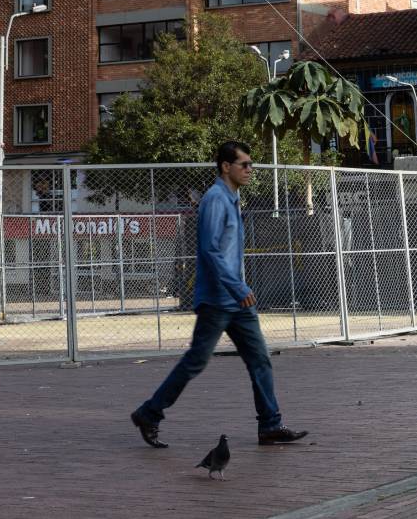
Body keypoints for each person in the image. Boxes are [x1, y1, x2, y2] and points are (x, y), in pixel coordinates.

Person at [131, 140, 307, 449]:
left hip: (237, 301)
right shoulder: (215, 199)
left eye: (251, 164)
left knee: (260, 360)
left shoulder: (232, 199)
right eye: (244, 165)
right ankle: (149, 412)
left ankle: (270, 425)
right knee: (195, 362)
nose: (250, 170)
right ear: (226, 167)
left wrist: (239, 289)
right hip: (217, 299)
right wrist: (238, 287)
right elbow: (210, 251)